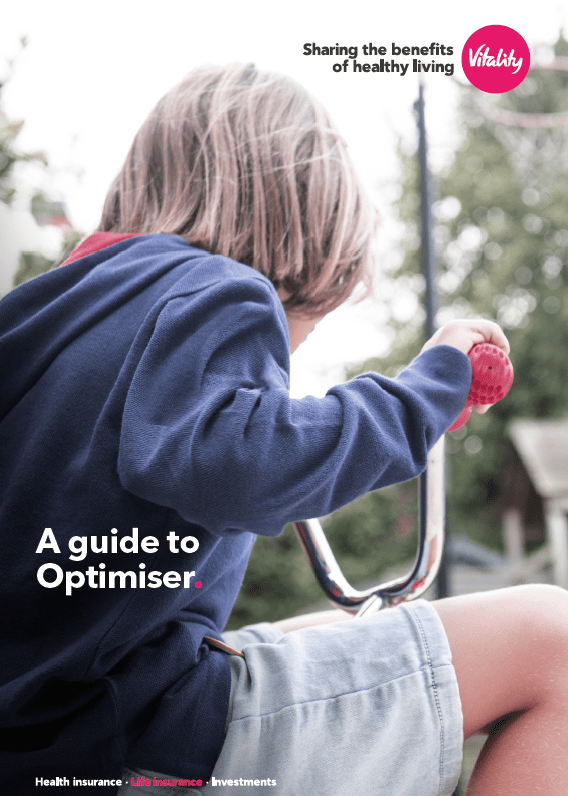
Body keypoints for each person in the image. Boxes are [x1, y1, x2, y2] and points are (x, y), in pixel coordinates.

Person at [1, 63, 567, 796]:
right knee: (551, 641)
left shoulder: (43, 315)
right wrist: (429, 390)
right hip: (123, 731)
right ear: (304, 229)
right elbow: (240, 461)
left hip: (44, 726)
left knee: (325, 635)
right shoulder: (219, 291)